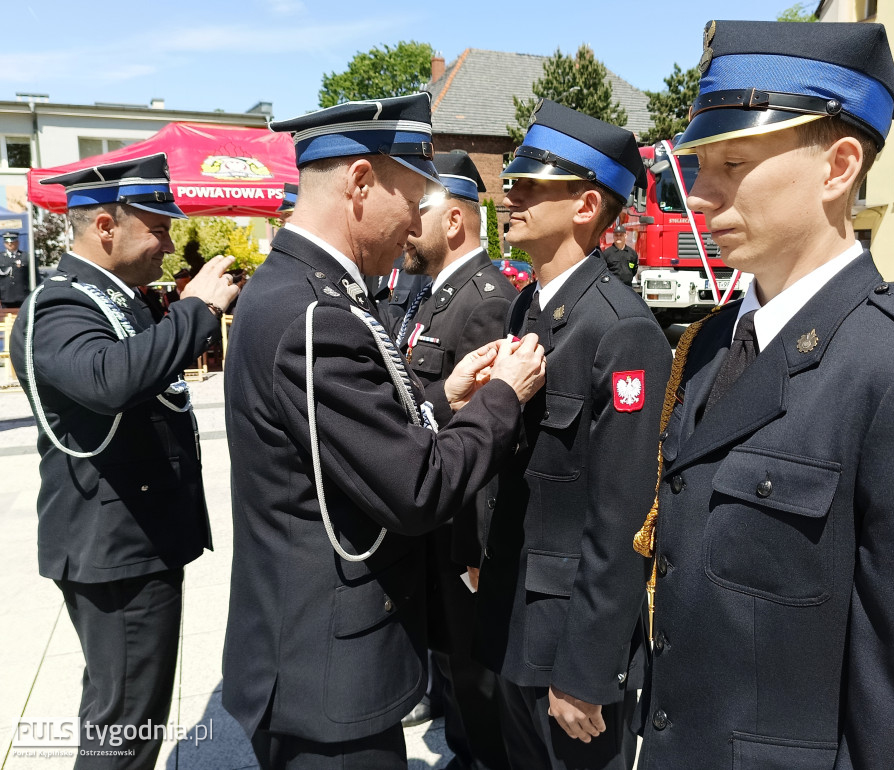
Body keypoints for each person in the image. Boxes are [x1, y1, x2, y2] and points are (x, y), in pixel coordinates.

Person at [635, 21, 894, 770]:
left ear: (839, 166)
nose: (702, 192)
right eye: (698, 163)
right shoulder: (710, 344)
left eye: (734, 162)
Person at [220, 92, 546, 770]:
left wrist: (445, 396)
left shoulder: (299, 290)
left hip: (309, 658)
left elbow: (349, 432)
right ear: (361, 183)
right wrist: (504, 398)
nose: (416, 222)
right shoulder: (318, 314)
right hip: (325, 678)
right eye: (412, 198)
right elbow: (416, 487)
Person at [9, 153, 238, 769]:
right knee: (127, 728)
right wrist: (199, 310)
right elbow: (110, 379)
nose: (169, 242)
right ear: (106, 227)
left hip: (133, 540)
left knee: (121, 713)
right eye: (157, 228)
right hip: (112, 549)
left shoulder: (117, 297)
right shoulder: (60, 305)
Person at [473, 99, 673, 770]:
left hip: (568, 646)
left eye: (532, 184)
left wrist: (588, 671)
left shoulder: (622, 329)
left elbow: (621, 518)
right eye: (514, 181)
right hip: (514, 618)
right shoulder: (532, 303)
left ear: (587, 206)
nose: (511, 196)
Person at [402, 151, 518, 770]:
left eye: (415, 210)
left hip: (460, 531)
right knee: (449, 663)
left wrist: (475, 548)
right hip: (433, 519)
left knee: (474, 674)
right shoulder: (432, 296)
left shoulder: (486, 300)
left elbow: (489, 436)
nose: (403, 224)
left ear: (452, 222)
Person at [0, 230, 30, 308]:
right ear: (4, 243)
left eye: (12, 241)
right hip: (5, 297)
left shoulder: (26, 256)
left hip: (23, 297)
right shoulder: (0, 258)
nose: (10, 244)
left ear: (17, 242)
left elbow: (33, 277)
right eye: (7, 242)